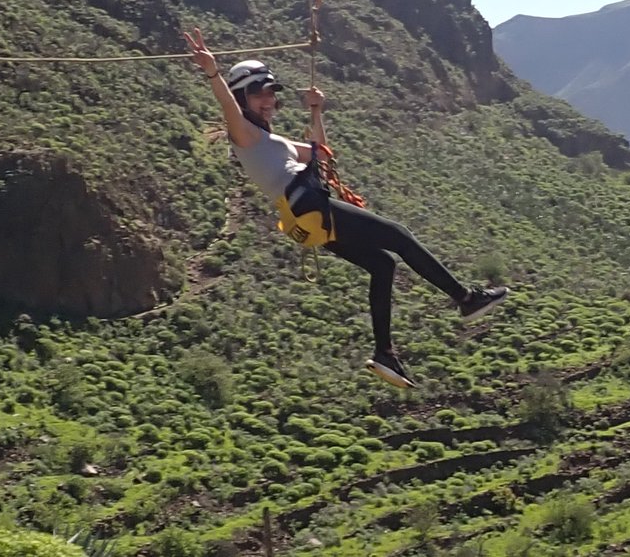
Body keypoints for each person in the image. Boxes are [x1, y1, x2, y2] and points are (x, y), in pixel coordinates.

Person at [183, 27, 509, 388]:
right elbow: (227, 108)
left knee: (383, 264)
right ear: (242, 97)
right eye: (258, 93)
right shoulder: (244, 134)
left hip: (310, 218)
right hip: (310, 207)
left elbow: (319, 155)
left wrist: (317, 111)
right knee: (399, 236)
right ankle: (465, 298)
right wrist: (212, 72)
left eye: (272, 94)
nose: (268, 100)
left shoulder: (274, 141)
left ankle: (385, 354)